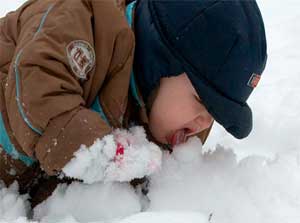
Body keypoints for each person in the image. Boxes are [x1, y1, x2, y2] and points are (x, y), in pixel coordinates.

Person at [0, 0, 267, 207]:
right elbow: (37, 92)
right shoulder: (82, 17)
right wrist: (106, 154)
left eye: (216, 113)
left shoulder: (161, 119)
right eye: (201, 101)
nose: (205, 122)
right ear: (158, 63)